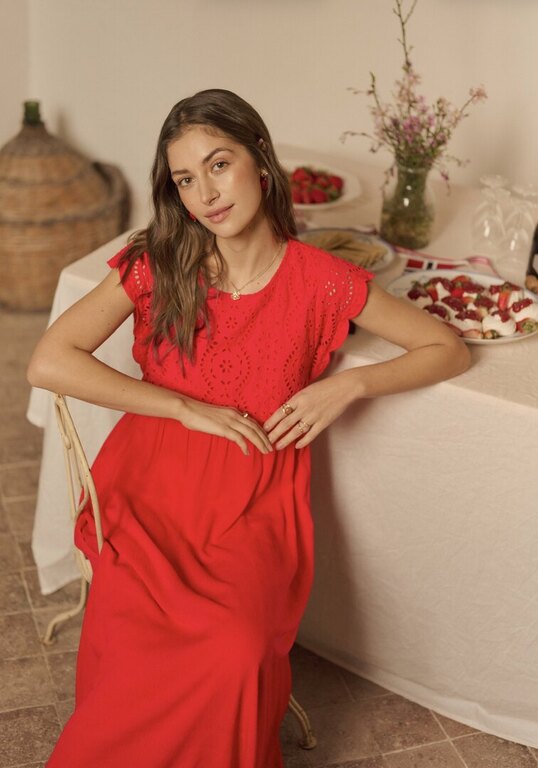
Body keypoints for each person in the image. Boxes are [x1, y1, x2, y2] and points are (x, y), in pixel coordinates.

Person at [28, 88, 470, 768]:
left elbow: (446, 347)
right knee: (142, 640)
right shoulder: (160, 262)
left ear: (260, 161)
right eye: (185, 179)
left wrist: (349, 384)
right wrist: (181, 406)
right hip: (149, 489)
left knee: (233, 649)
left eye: (218, 164)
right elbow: (49, 360)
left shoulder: (322, 281)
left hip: (253, 502)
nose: (205, 193)